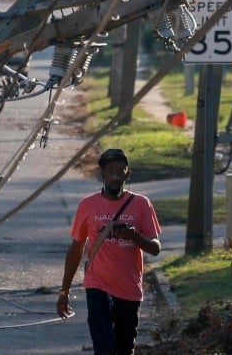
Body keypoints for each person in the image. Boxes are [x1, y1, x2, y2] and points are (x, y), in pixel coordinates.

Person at [57, 148, 161, 355]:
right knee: (103, 348)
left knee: (124, 349)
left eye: (120, 170)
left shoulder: (141, 204)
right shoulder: (88, 205)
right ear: (102, 174)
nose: (115, 176)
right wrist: (64, 292)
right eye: (110, 170)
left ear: (127, 174)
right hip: (97, 286)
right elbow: (76, 249)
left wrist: (133, 236)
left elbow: (155, 248)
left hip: (129, 288)